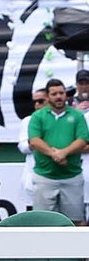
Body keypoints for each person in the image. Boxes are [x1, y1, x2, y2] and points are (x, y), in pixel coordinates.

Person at [28, 78, 89, 224]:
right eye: (54, 94)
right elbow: (35, 141)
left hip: (72, 177)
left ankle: (78, 248)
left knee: (76, 221)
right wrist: (54, 154)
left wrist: (64, 153)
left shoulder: (77, 115)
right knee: (42, 222)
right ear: (48, 96)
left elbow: (82, 139)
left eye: (61, 93)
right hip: (45, 177)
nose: (59, 96)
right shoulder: (38, 116)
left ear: (66, 95)